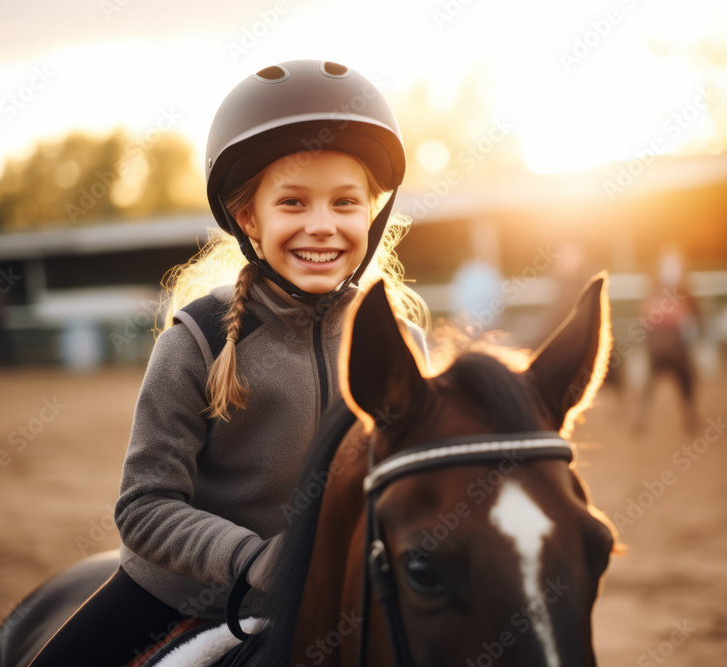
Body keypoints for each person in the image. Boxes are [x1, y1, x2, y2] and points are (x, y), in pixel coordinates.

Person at [27, 59, 429, 666]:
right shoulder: (200, 340)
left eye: (345, 202)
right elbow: (144, 506)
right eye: (293, 202)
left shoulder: (404, 347)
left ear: (371, 213)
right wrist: (253, 558)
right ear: (249, 219)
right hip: (185, 594)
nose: (322, 226)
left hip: (346, 598)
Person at [634, 249, 701, 434]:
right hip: (673, 346)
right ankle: (690, 417)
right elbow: (695, 319)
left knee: (660, 383)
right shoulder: (683, 290)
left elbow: (643, 318)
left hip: (663, 345)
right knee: (684, 381)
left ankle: (644, 418)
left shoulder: (657, 289)